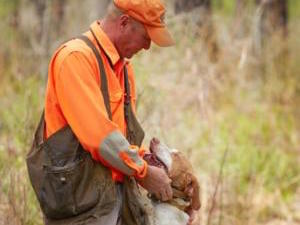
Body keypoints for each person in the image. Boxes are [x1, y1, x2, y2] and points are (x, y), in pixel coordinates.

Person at [27, 0, 196, 224]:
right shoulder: (76, 59)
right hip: (81, 209)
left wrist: (181, 203)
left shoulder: (124, 69)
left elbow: (121, 142)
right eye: (146, 37)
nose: (147, 47)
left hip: (119, 200)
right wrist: (144, 172)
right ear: (124, 22)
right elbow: (100, 139)